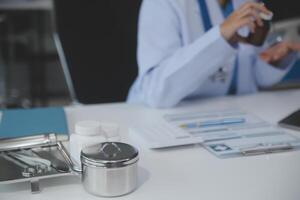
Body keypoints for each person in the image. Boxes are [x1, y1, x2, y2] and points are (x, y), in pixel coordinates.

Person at [127, 0, 300, 108]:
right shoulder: (162, 3)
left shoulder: (247, 3)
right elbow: (157, 92)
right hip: (163, 122)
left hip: (233, 117)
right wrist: (221, 35)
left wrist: (272, 60)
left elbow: (249, 79)